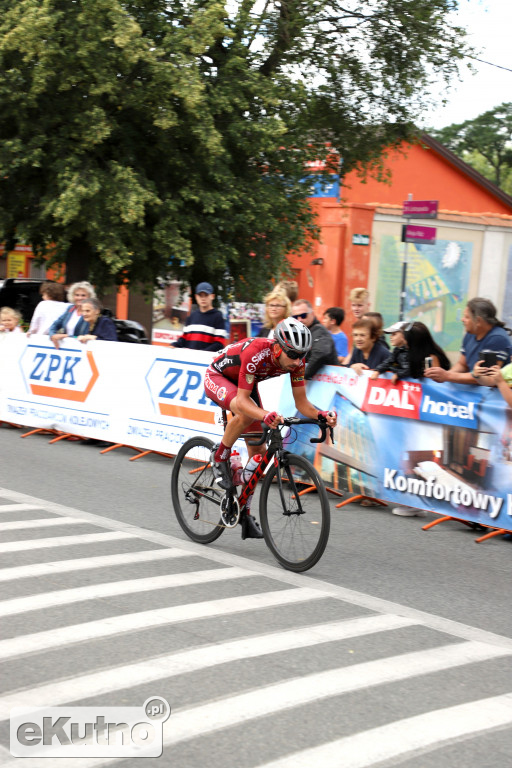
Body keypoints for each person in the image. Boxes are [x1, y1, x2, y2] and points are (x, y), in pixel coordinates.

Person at [204, 317, 337, 538]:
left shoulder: (297, 363)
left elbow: (301, 403)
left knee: (258, 455)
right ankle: (220, 456)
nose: (297, 361)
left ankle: (243, 511)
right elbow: (244, 402)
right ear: (277, 348)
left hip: (245, 382)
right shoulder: (256, 352)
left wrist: (321, 414)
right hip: (218, 377)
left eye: (302, 355)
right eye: (293, 355)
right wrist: (266, 415)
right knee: (247, 414)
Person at [425, 297, 512, 385]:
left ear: (478, 321)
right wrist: (444, 376)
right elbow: (463, 364)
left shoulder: (496, 339)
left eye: (467, 317)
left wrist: (448, 376)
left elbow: (485, 377)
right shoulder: (471, 333)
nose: (462, 319)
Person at [370, 321, 450, 384]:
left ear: (415, 342)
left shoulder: (429, 359)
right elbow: (392, 363)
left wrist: (399, 374)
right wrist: (381, 369)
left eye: (406, 339)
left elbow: (433, 384)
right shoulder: (405, 352)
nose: (405, 343)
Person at [171, 282, 227, 352]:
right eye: (200, 295)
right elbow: (184, 340)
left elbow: (219, 344)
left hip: (207, 361)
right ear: (196, 297)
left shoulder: (218, 316)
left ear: (212, 296)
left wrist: (201, 354)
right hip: (191, 360)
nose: (203, 298)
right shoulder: (191, 317)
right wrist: (173, 345)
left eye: (206, 295)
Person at [291, 299, 338, 379]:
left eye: (303, 316)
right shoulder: (299, 332)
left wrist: (303, 376)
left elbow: (320, 354)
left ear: (312, 314)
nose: (300, 320)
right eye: (295, 317)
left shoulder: (319, 331)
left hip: (326, 382)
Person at [49, 281, 96, 347]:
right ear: (72, 296)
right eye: (77, 295)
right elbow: (54, 326)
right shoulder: (70, 309)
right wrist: (53, 335)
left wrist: (67, 336)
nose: (80, 298)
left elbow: (85, 334)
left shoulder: (91, 312)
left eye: (83, 295)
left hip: (82, 348)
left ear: (89, 297)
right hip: (66, 348)